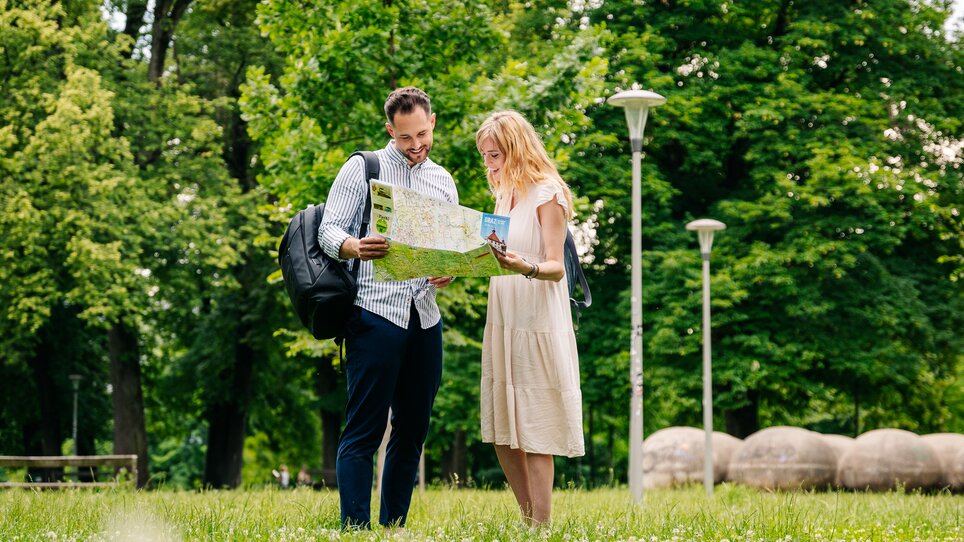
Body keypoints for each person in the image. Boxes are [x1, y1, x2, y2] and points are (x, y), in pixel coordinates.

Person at [318, 86, 456, 529]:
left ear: (432, 122)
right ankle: (356, 529)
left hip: (425, 316)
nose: (416, 145)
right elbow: (327, 231)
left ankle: (393, 527)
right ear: (389, 130)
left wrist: (448, 272)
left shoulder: (443, 180)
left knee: (413, 430)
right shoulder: (364, 168)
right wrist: (354, 246)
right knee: (365, 428)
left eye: (422, 135)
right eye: (405, 137)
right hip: (374, 314)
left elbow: (449, 248)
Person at [475, 111, 585, 527]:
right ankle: (528, 522)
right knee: (503, 428)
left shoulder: (547, 193)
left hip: (537, 315)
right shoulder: (504, 194)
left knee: (536, 426)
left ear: (517, 150)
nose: (489, 164)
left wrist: (526, 266)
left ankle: (542, 525)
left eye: (496, 155)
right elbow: (497, 254)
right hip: (505, 315)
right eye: (485, 156)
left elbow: (555, 266)